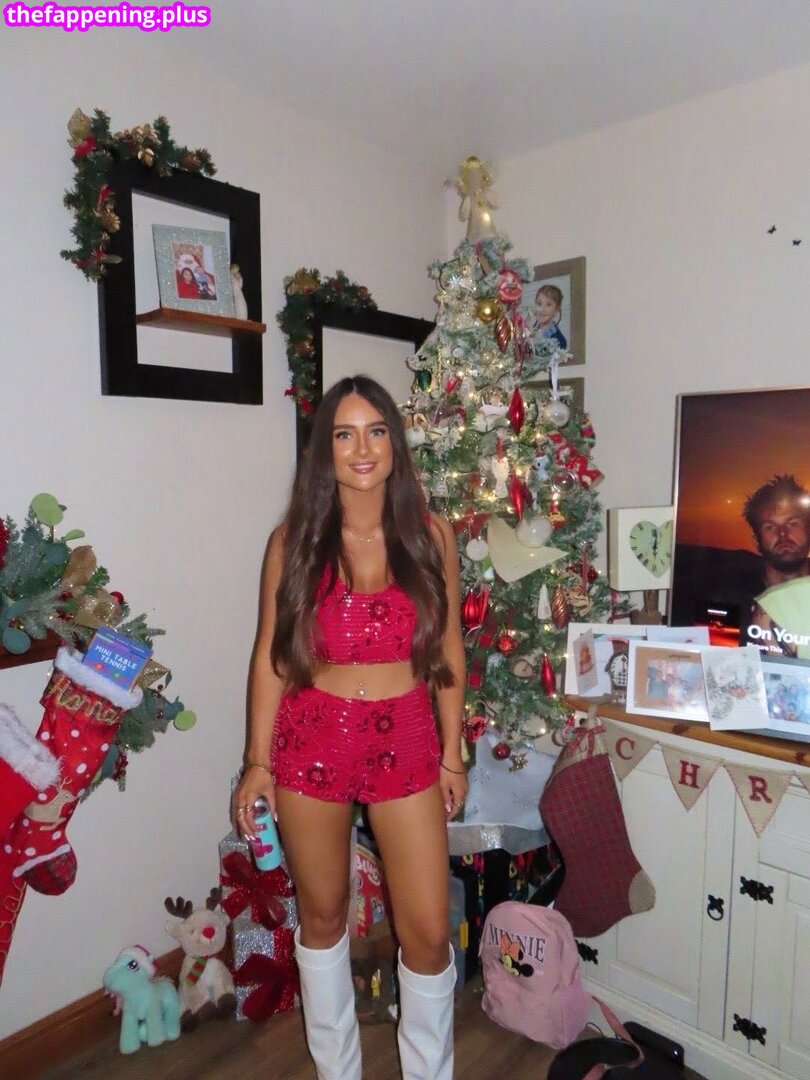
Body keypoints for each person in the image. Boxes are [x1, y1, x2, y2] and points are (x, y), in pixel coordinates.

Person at [232, 375, 467, 1080]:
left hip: (407, 737)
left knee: (428, 932)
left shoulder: (431, 535)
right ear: (324, 450)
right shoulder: (294, 540)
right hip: (313, 736)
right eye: (344, 434)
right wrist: (257, 763)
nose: (361, 448)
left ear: (394, 444)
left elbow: (450, 649)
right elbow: (271, 656)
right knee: (323, 915)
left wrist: (452, 753)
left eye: (375, 431)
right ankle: (338, 1070)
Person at [742, 474, 810, 653]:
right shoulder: (733, 594)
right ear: (757, 539)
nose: (783, 534)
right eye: (770, 527)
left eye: (792, 523)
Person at [533, 283, 567, 349]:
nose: (542, 309)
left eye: (548, 304)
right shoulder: (530, 333)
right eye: (539, 304)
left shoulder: (559, 341)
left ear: (556, 310)